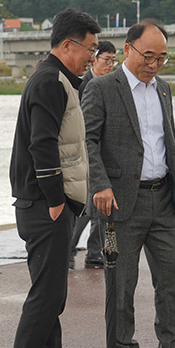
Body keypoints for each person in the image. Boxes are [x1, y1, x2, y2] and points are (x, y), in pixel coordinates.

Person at [82, 19, 175, 348]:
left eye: (162, 58)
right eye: (148, 56)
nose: (154, 64)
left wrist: (174, 191)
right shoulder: (101, 88)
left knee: (173, 278)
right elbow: (87, 140)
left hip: (163, 200)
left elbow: (165, 143)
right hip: (119, 205)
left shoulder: (164, 90)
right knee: (121, 283)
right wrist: (100, 185)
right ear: (128, 50)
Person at [1, 8, 100, 348]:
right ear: (67, 45)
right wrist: (56, 200)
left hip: (49, 205)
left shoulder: (60, 79)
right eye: (90, 48)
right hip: (45, 206)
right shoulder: (49, 81)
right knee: (46, 296)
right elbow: (42, 144)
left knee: (51, 294)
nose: (93, 56)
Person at [70, 40, 118, 269]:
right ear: (94, 60)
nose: (110, 65)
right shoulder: (83, 85)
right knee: (86, 207)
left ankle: (94, 254)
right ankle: (68, 251)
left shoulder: (111, 85)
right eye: (106, 59)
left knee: (103, 207)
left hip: (106, 155)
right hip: (86, 155)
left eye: (113, 61)